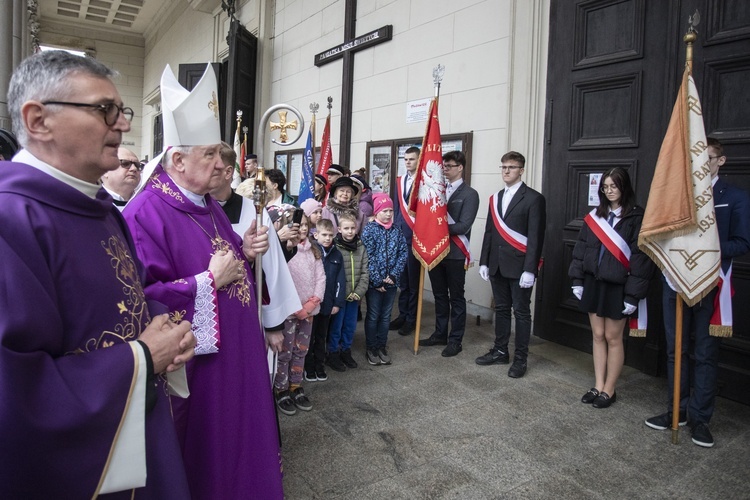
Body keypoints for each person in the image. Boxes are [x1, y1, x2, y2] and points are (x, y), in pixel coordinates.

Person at [0, 50, 194, 498]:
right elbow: (15, 388)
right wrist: (144, 358)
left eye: (121, 111)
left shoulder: (102, 210)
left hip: (136, 425)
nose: (123, 124)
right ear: (38, 120)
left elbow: (127, 296)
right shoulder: (12, 219)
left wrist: (165, 326)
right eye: (104, 109)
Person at [123, 64, 284, 498]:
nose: (223, 165)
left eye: (224, 154)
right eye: (211, 155)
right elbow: (141, 299)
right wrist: (204, 282)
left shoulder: (207, 204)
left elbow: (227, 258)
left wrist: (245, 250)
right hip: (201, 373)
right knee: (208, 461)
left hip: (239, 356)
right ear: (177, 159)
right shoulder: (143, 215)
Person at [645, 138, 750, 447]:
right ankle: (675, 410)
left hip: (710, 284)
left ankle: (700, 418)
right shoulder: (678, 197)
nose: (701, 165)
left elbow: (742, 243)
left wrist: (706, 251)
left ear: (721, 161)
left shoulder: (735, 197)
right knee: (676, 349)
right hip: (675, 282)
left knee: (705, 353)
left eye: (709, 158)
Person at [569, 167, 654, 408]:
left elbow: (641, 258)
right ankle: (597, 384)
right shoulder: (595, 216)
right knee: (597, 335)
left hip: (619, 286)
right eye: (605, 187)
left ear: (624, 187)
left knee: (613, 337)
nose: (609, 191)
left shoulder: (637, 217)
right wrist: (577, 280)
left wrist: (633, 295)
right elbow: (581, 248)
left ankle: (610, 388)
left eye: (613, 186)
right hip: (594, 282)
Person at [210, 143, 301, 329]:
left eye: (210, 167)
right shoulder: (191, 209)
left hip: (246, 310)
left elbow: (272, 265)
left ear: (228, 172)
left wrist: (273, 326)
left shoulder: (253, 211)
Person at [477, 151, 546, 379]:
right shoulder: (495, 198)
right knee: (503, 310)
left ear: (521, 170)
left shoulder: (534, 198)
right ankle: (499, 350)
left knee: (522, 313)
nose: (506, 171)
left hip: (520, 267)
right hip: (497, 265)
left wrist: (530, 269)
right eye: (504, 167)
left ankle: (520, 359)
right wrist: (484, 261)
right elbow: (489, 232)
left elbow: (536, 237)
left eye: (512, 167)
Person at [419, 151, 480, 357]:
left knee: (456, 297)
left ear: (460, 167)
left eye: (449, 166)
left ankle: (456, 340)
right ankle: (439, 333)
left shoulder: (469, 194)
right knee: (439, 295)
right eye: (443, 166)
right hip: (436, 252)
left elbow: (464, 225)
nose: (444, 169)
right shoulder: (438, 189)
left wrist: (437, 227)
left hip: (455, 253)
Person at [275, 212, 324, 415]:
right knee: (285, 352)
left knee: (300, 350)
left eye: (305, 225)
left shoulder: (313, 251)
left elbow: (321, 279)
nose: (303, 229)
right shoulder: (284, 252)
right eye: (299, 225)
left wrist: (310, 305)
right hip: (289, 312)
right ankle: (281, 388)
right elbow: (280, 280)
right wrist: (295, 306)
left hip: (308, 311)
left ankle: (296, 385)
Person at [362, 193, 408, 366]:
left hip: (391, 282)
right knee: (373, 315)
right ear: (377, 211)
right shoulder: (370, 230)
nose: (388, 214)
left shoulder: (396, 230)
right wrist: (377, 280)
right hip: (376, 284)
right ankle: (371, 347)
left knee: (386, 315)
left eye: (391, 210)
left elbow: (403, 253)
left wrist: (394, 275)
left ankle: (382, 345)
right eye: (385, 211)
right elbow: (368, 256)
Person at [304, 218, 346, 381]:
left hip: (328, 303)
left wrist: (337, 303)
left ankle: (319, 365)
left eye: (331, 235)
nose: (328, 238)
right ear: (316, 234)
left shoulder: (337, 254)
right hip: (312, 304)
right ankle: (308, 366)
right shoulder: (312, 252)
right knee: (309, 336)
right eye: (324, 235)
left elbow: (340, 281)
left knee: (322, 336)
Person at [327, 213, 370, 371]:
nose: (350, 231)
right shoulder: (335, 247)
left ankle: (346, 350)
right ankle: (333, 353)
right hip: (339, 298)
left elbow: (365, 273)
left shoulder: (361, 247)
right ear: (339, 229)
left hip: (354, 296)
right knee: (336, 327)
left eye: (353, 228)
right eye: (346, 228)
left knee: (350, 326)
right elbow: (332, 275)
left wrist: (358, 292)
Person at [390, 146, 421, 336]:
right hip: (400, 236)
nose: (408, 162)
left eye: (412, 159)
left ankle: (411, 318)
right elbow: (395, 207)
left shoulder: (424, 182)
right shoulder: (400, 181)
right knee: (402, 281)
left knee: (413, 282)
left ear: (419, 160)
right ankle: (402, 314)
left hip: (415, 238)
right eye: (406, 159)